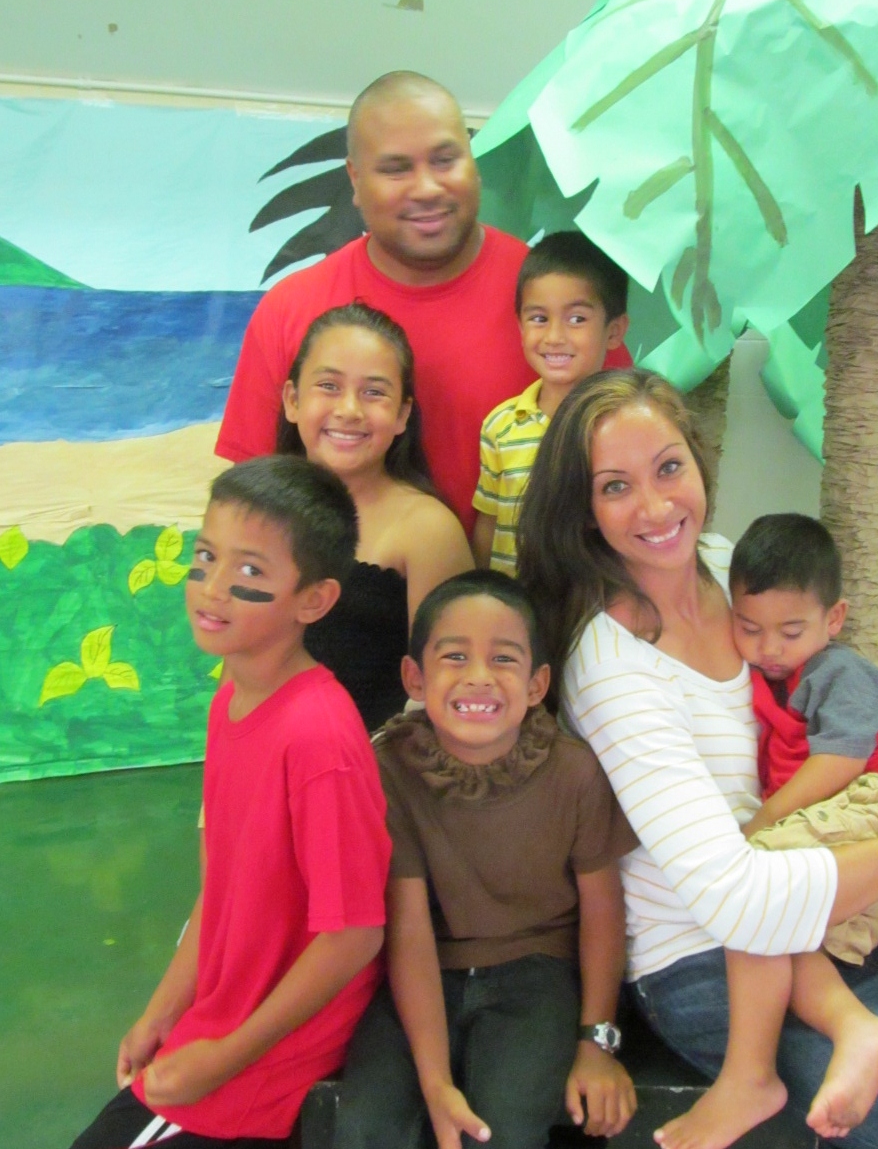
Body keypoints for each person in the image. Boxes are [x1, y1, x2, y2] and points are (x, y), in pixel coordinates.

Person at [516, 368, 878, 1149]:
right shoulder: (610, 663)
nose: (655, 507)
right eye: (615, 486)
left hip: (825, 903)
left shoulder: (724, 565)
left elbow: (839, 705)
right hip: (709, 953)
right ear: (581, 508)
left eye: (668, 467)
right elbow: (734, 899)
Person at [71, 456, 391, 1149]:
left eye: (249, 571)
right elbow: (221, 884)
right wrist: (164, 1009)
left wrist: (223, 1057)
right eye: (206, 557)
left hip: (261, 1068)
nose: (212, 589)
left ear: (314, 600)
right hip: (217, 1032)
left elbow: (354, 934)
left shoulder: (318, 737)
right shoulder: (231, 700)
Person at [335, 570, 639, 1149]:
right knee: (368, 1128)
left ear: (537, 683)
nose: (479, 676)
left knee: (503, 1129)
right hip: (423, 972)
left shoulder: (574, 772)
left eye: (503, 658)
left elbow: (604, 912)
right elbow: (409, 930)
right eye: (454, 657)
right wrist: (434, 1081)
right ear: (415, 677)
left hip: (537, 975)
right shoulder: (389, 768)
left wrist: (596, 1042)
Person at [649, 513, 878, 1149]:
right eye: (750, 628)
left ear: (835, 618)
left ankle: (764, 1071)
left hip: (866, 807)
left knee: (756, 887)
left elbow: (842, 761)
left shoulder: (839, 672)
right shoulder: (764, 675)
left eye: (790, 631)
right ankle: (856, 1027)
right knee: (781, 930)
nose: (769, 646)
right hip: (827, 826)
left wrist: (760, 825)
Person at [279, 301, 473, 730]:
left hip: (378, 764)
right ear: (293, 400)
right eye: (328, 386)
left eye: (373, 392)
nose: (349, 409)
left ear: (402, 414)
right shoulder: (261, 514)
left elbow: (447, 693)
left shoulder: (427, 529)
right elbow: (238, 673)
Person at [472, 231, 629, 575]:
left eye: (577, 319)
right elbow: (489, 522)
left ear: (614, 331)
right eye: (540, 319)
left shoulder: (628, 428)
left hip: (595, 600)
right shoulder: (501, 426)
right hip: (514, 602)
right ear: (520, 325)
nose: (555, 337)